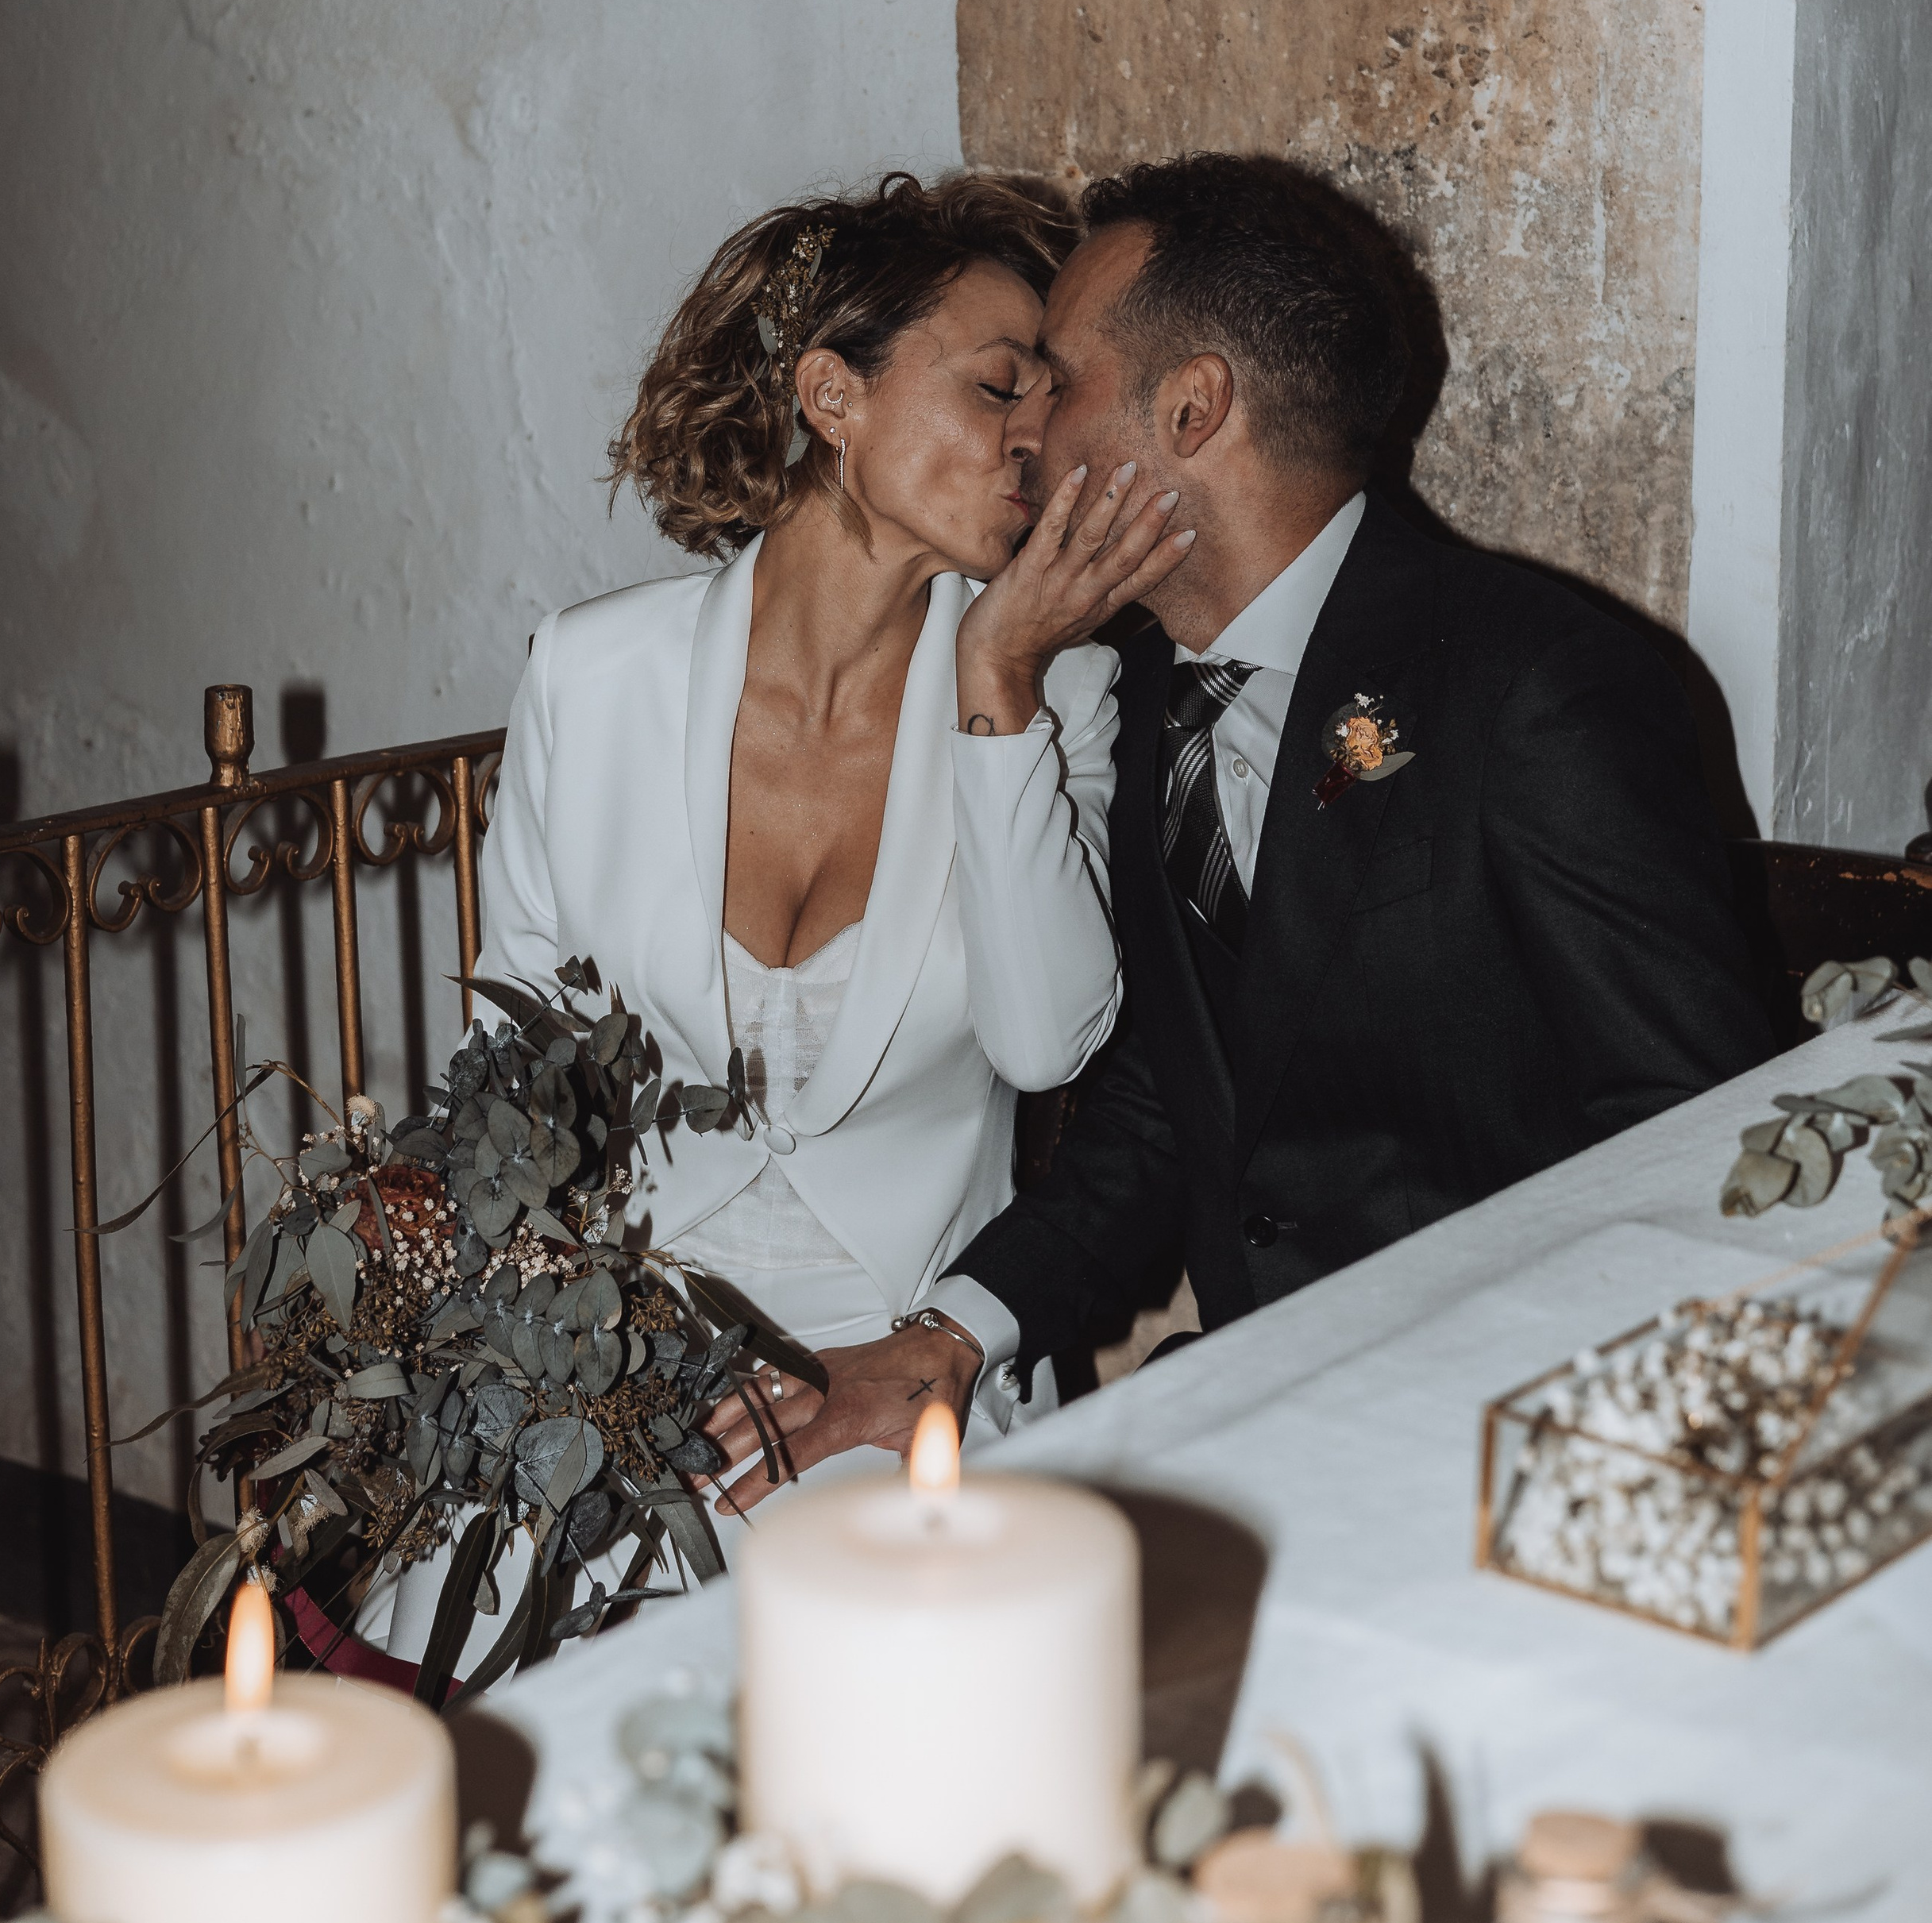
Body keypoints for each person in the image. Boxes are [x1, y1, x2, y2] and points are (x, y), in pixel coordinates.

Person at [716, 152, 1774, 1485]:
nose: (1023, 417)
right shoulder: (1153, 685)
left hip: (1510, 1435)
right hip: (1254, 1404)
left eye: (1059, 370)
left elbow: (1694, 1138)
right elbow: (1173, 1090)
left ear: (1196, 407)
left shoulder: (1531, 686)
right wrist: (954, 1334)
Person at [368, 169, 1188, 1662]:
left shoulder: (1062, 690)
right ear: (832, 394)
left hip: (898, 1340)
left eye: (1047, 400)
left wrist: (996, 691)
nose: (1035, 437)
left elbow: (1049, 1042)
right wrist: (577, 1344)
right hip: (621, 1343)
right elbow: (513, 1071)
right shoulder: (591, 676)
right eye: (999, 384)